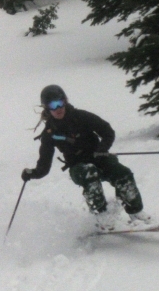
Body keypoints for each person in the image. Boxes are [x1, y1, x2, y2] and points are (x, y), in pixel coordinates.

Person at [21, 85, 151, 230]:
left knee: (123, 173)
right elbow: (44, 166)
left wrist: (102, 150)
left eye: (60, 102)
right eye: (52, 105)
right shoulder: (49, 134)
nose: (58, 108)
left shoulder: (81, 116)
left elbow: (107, 131)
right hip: (78, 167)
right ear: (47, 108)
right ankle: (101, 216)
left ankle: (136, 212)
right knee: (89, 172)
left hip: (99, 158)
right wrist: (31, 173)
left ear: (65, 101)